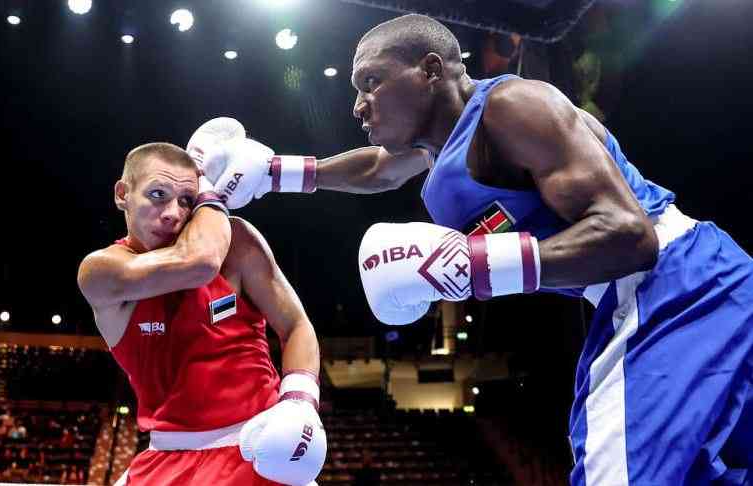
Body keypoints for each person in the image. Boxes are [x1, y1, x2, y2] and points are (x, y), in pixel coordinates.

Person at [205, 13, 753, 486]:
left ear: (430, 70)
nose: (357, 105)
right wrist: (275, 172)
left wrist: (474, 265)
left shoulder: (513, 106)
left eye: (371, 82)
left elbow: (632, 237)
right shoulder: (443, 143)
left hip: (674, 283)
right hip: (681, 288)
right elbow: (375, 170)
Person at [77, 121, 327, 486]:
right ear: (122, 194)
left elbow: (296, 326)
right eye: (158, 194)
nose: (173, 213)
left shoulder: (236, 241)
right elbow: (199, 262)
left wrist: (300, 401)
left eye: (186, 200)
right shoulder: (101, 271)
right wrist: (210, 190)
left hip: (258, 447)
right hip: (167, 458)